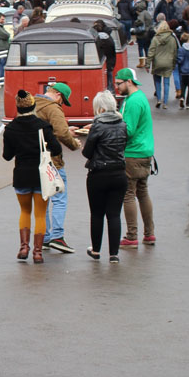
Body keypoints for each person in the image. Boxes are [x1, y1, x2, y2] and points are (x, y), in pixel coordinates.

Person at [2, 89, 61, 264]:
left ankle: (23, 247)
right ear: (33, 106)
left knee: (25, 211)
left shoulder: (11, 128)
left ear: (18, 108)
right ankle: (37, 252)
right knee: (41, 215)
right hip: (41, 177)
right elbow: (56, 149)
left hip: (21, 175)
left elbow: (7, 156)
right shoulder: (42, 127)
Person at [79, 90, 128, 264]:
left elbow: (87, 152)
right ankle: (114, 254)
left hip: (98, 174)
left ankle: (96, 249)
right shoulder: (122, 124)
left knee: (97, 214)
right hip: (119, 173)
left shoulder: (97, 126)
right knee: (114, 215)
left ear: (99, 108)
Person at [35, 81, 82, 255]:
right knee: (59, 198)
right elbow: (61, 133)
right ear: (59, 96)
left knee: (43, 199)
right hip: (52, 161)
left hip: (33, 160)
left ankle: (45, 237)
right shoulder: (53, 108)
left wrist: (65, 129)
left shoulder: (32, 104)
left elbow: (48, 130)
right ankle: (58, 237)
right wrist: (74, 144)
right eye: (63, 101)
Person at [114, 67, 155, 248]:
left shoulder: (132, 102)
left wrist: (112, 131)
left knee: (128, 195)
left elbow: (128, 130)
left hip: (132, 153)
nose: (116, 87)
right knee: (143, 193)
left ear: (129, 82)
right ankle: (149, 233)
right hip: (146, 152)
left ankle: (131, 236)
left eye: (119, 83)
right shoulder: (141, 98)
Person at [148, 20, 177, 108]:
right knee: (167, 83)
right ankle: (165, 102)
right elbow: (174, 52)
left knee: (157, 81)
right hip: (168, 62)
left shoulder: (155, 38)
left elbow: (151, 52)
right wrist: (174, 64)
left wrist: (147, 64)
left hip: (157, 63)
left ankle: (159, 99)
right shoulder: (172, 39)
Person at [175, 31, 189, 109]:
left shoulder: (181, 49)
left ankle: (182, 97)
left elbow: (180, 60)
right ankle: (188, 103)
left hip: (183, 70)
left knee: (183, 85)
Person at [93, 20, 117, 90]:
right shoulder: (108, 36)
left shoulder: (99, 38)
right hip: (110, 59)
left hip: (106, 59)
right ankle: (110, 89)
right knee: (109, 76)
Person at [133, 0, 154, 69]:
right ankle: (148, 61)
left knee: (140, 48)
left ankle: (141, 62)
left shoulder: (141, 14)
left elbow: (140, 22)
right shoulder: (147, 13)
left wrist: (135, 23)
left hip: (142, 34)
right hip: (148, 34)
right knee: (146, 48)